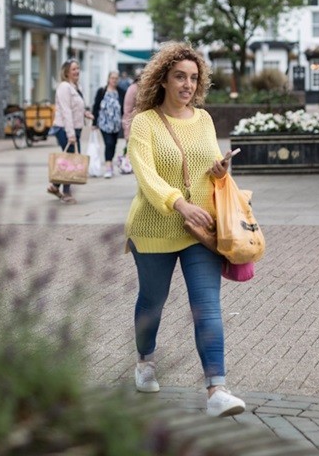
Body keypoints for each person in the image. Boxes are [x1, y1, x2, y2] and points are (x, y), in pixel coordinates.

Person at [125, 41, 245, 418]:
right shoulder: (144, 123)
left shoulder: (205, 119)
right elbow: (146, 175)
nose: (188, 84)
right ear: (163, 80)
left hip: (201, 230)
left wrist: (220, 171)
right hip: (155, 225)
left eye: (194, 78)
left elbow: (205, 164)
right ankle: (145, 360)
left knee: (207, 306)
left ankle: (217, 389)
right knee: (152, 302)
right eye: (180, 76)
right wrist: (179, 203)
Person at [48, 58, 92, 203]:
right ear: (66, 72)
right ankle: (66, 193)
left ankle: (55, 186)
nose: (77, 71)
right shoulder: (64, 87)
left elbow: (75, 107)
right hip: (64, 128)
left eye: (78, 68)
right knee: (71, 160)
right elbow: (66, 111)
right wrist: (71, 135)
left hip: (75, 128)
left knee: (69, 159)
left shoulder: (75, 87)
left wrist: (85, 113)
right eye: (73, 69)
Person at [92, 70, 125, 178]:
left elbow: (124, 108)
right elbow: (96, 107)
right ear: (108, 79)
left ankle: (110, 163)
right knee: (109, 143)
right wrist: (94, 122)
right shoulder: (102, 91)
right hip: (104, 123)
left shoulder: (121, 92)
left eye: (116, 78)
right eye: (112, 78)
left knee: (114, 145)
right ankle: (108, 167)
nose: (114, 80)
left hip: (116, 125)